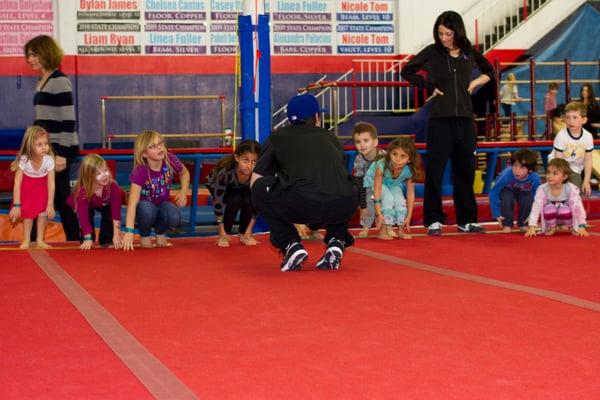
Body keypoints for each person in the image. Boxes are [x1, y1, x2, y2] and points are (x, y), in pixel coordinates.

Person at [401, 10, 494, 236]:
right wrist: (428, 85)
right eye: (440, 33)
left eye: (448, 33)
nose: (444, 38)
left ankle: (467, 219)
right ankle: (433, 220)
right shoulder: (433, 52)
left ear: (457, 31)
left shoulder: (469, 52)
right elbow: (407, 70)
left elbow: (489, 71)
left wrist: (475, 83)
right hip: (440, 120)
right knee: (434, 170)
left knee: (465, 170)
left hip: (464, 120)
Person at [250, 93, 358, 272]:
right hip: (345, 203)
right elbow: (337, 175)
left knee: (259, 188)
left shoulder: (278, 137)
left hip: (302, 202)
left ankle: (290, 244)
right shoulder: (331, 138)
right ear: (316, 117)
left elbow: (256, 180)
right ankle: (336, 240)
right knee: (341, 187)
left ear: (290, 119)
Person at [24, 35, 80, 242]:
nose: (29, 59)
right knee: (53, 193)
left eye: (33, 54)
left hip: (60, 146)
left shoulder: (59, 81)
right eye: (28, 55)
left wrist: (62, 154)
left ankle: (76, 236)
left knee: (60, 193)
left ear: (45, 53)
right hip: (46, 146)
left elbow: (68, 120)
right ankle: (74, 235)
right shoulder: (42, 81)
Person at [122, 130, 190, 251]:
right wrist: (129, 231)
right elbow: (132, 203)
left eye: (160, 143)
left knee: (174, 215)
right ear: (144, 154)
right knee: (147, 210)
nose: (159, 148)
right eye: (153, 146)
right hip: (144, 208)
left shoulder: (170, 159)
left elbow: (184, 173)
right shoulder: (140, 171)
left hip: (162, 204)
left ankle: (160, 232)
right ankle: (145, 234)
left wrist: (183, 192)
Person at [206, 140, 261, 247]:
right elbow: (218, 203)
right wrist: (221, 231)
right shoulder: (225, 172)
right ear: (237, 158)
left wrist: (248, 231)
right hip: (217, 185)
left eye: (254, 162)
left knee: (249, 200)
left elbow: (257, 204)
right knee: (235, 199)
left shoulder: (257, 174)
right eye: (245, 160)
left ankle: (243, 234)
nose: (249, 166)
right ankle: (225, 234)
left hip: (241, 186)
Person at [9, 126, 55, 249]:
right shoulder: (24, 160)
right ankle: (27, 239)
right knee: (28, 214)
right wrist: (17, 204)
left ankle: (40, 239)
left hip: (42, 188)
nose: (44, 147)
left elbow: (51, 183)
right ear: (30, 146)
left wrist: (50, 203)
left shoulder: (49, 160)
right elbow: (17, 182)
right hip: (27, 189)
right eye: (39, 144)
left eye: (46, 143)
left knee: (43, 213)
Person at [364, 137, 418, 240]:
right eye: (395, 154)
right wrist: (378, 212)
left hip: (393, 184)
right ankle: (383, 231)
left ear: (409, 159)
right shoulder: (382, 165)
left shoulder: (409, 171)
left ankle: (401, 230)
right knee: (388, 199)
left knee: (400, 201)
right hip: (375, 182)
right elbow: (377, 189)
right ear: (390, 154)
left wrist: (409, 214)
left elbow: (410, 193)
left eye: (403, 156)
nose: (398, 159)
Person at [67, 154, 124, 250]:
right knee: (87, 214)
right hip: (88, 203)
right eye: (98, 173)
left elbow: (116, 214)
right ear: (89, 176)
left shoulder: (113, 188)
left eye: (105, 170)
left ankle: (107, 239)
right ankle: (88, 238)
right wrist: (87, 237)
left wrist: (116, 234)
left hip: (104, 202)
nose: (104, 175)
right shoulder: (82, 192)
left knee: (109, 213)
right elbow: (83, 216)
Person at [525, 158, 588, 237]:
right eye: (548, 173)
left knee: (564, 209)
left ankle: (571, 227)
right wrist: (532, 226)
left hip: (567, 216)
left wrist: (581, 226)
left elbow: (579, 209)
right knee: (549, 208)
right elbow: (536, 207)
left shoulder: (571, 189)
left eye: (554, 173)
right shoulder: (543, 189)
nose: (550, 176)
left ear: (564, 176)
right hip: (551, 218)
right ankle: (552, 227)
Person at [489, 148, 541, 233]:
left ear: (530, 170)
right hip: (507, 190)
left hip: (523, 192)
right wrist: (497, 213)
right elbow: (493, 193)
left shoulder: (535, 178)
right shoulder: (506, 175)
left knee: (527, 199)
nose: (517, 170)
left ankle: (524, 223)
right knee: (507, 198)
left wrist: (533, 215)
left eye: (522, 167)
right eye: (515, 165)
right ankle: (507, 224)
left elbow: (538, 198)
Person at [351, 121, 386, 237]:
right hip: (368, 187)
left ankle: (388, 225)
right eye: (358, 142)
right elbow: (359, 182)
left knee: (389, 200)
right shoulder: (359, 160)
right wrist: (363, 206)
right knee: (368, 199)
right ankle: (366, 226)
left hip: (384, 185)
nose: (362, 145)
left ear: (375, 142)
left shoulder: (383, 156)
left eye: (366, 140)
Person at [552, 101, 594, 196]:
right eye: (567, 117)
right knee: (559, 193)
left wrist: (586, 181)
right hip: (558, 167)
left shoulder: (588, 137)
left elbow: (588, 160)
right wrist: (559, 180)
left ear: (584, 120)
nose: (571, 121)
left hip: (575, 169)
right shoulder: (561, 136)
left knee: (576, 194)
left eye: (575, 117)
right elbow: (557, 160)